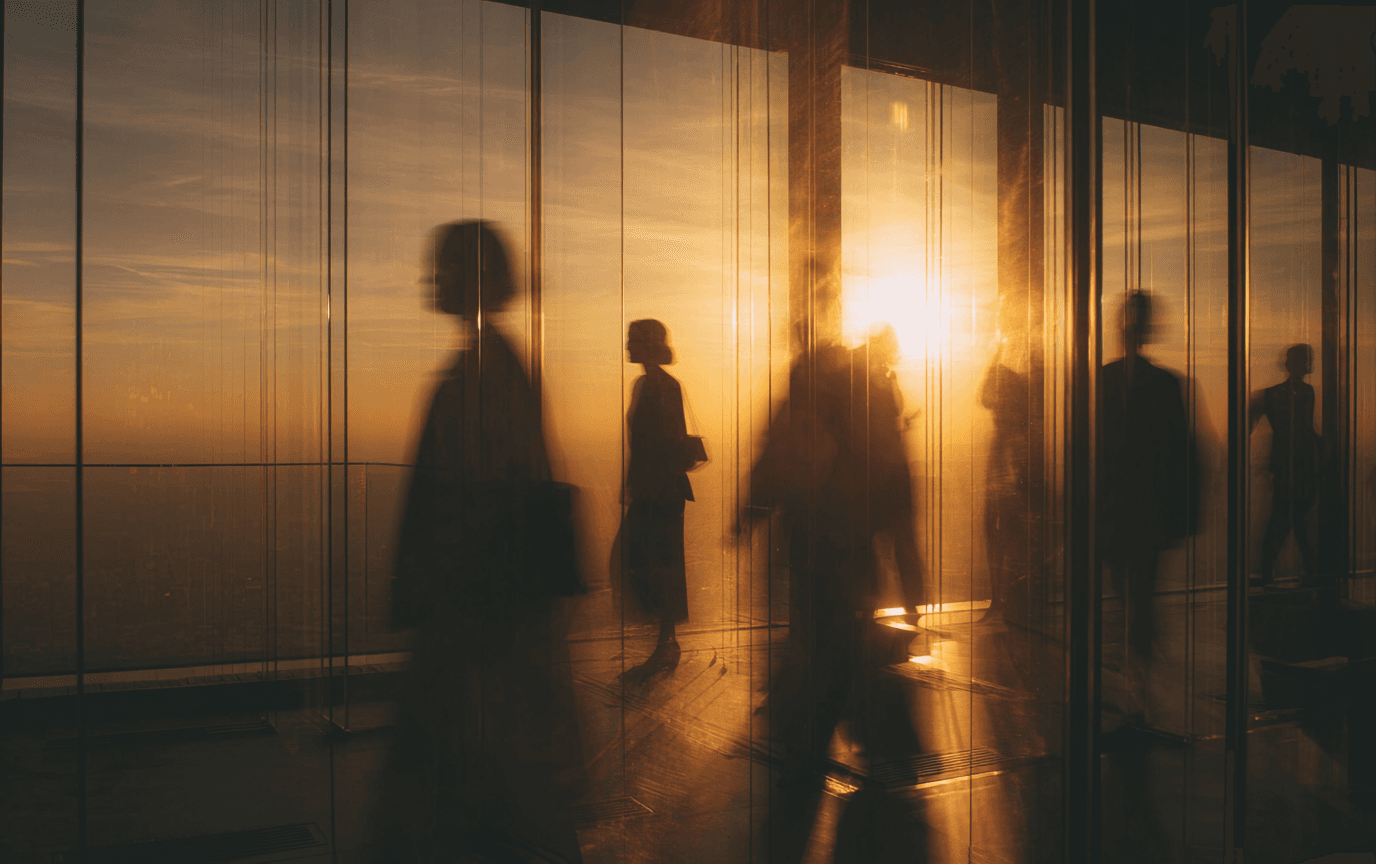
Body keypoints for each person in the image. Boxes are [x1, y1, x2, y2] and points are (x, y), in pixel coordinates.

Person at [365, 220, 586, 864]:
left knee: (472, 791)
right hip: (482, 612)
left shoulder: (484, 371)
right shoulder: (496, 364)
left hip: (474, 614)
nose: (434, 279)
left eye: (447, 267)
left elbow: (485, 501)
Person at [743, 321, 923, 864]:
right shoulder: (861, 403)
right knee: (841, 644)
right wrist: (911, 576)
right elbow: (893, 485)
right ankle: (867, 739)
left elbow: (777, 454)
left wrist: (750, 512)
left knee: (826, 646)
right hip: (845, 545)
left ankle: (819, 746)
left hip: (817, 544)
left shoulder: (818, 398)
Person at [1100, 290, 1195, 727]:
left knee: (1132, 599)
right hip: (1138, 510)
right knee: (1136, 599)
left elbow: (1094, 450)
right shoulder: (1164, 384)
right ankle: (1141, 677)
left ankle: (1138, 684)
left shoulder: (1105, 381)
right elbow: (1182, 451)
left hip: (1126, 510)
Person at [621, 319, 701, 679]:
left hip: (661, 490)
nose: (626, 346)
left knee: (657, 564)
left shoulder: (661, 387)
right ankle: (665, 643)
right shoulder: (647, 385)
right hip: (654, 488)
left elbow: (664, 440)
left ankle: (666, 643)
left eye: (632, 340)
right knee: (653, 563)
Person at [1250, 343, 1321, 586]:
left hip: (1289, 466)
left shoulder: (1274, 395)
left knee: (1286, 520)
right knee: (1294, 520)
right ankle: (1303, 571)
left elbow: (1302, 429)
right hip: (1300, 467)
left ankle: (1268, 572)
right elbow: (1305, 430)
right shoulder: (1299, 393)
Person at [980, 333, 1031, 618]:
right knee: (1000, 527)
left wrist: (996, 357)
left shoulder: (1016, 378)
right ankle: (1002, 598)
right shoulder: (1015, 376)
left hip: (1009, 453)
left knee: (1005, 528)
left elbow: (985, 397)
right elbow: (985, 397)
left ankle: (1004, 598)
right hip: (1009, 452)